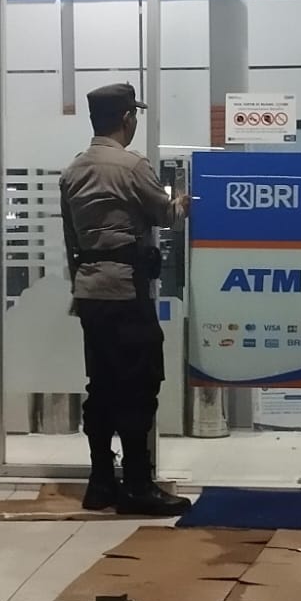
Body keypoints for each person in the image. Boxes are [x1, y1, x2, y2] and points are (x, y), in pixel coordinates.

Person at [60, 83, 192, 515]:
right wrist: (182, 203)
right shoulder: (132, 165)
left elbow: (71, 241)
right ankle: (137, 485)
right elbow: (165, 214)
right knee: (139, 383)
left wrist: (81, 285)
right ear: (126, 119)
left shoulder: (73, 171)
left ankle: (100, 483)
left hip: (90, 292)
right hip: (125, 290)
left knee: (101, 385)